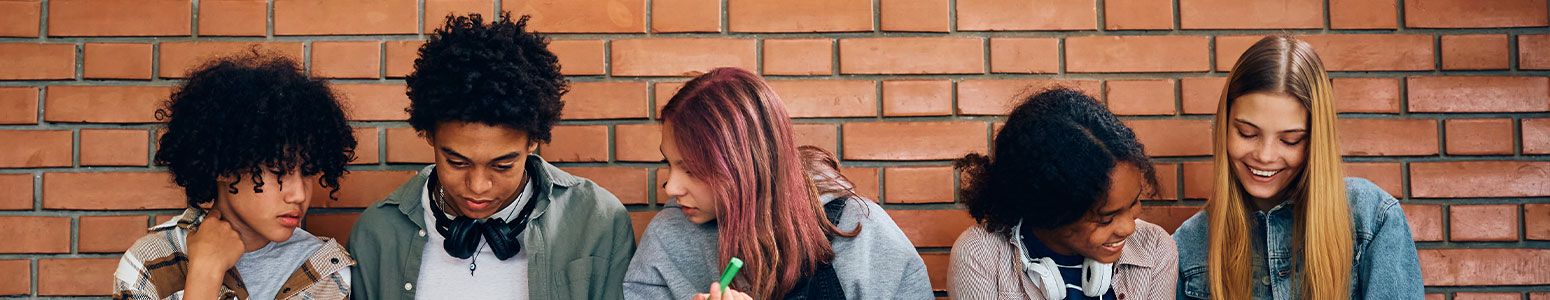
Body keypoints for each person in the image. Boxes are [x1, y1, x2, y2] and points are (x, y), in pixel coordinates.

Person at [346, 12, 634, 300]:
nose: (478, 186)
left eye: (502, 165)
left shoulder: (598, 220)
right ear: (430, 136)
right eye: (457, 163)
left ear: (533, 141)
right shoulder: (377, 233)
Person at [624, 67, 934, 300]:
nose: (670, 188)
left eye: (691, 170)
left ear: (746, 164)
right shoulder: (667, 240)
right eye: (670, 164)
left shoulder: (859, 230)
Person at [1171, 35, 1424, 300]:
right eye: (1247, 133)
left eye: (1290, 140)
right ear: (1224, 127)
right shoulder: (1189, 245)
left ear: (1316, 140)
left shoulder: (1373, 219)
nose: (1265, 156)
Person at [112, 52, 358, 300]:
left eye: (307, 172)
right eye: (277, 170)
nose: (299, 194)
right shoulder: (151, 263)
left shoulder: (325, 268)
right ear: (224, 167)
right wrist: (205, 272)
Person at [946, 87, 1177, 300]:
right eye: (1106, 218)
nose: (1129, 228)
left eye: (1134, 202)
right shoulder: (979, 254)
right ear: (1050, 211)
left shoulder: (1155, 248)